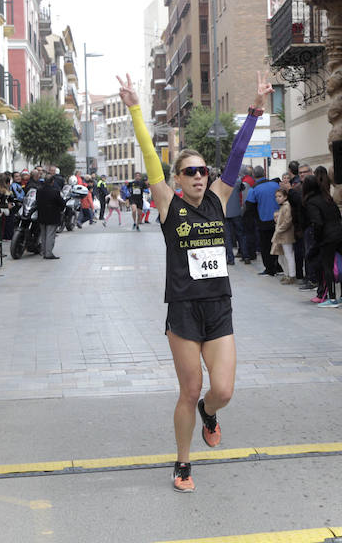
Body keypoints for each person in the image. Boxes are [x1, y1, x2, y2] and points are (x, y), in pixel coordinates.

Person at [118, 70, 271, 493]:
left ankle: (210, 412)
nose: (199, 177)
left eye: (203, 171)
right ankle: (183, 462)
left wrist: (256, 108)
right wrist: (134, 106)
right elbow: (150, 156)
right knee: (190, 388)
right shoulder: (168, 204)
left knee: (221, 390)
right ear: (178, 180)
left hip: (219, 306)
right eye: (190, 172)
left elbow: (238, 155)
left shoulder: (221, 199)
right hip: (183, 311)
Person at [302, 173, 342, 307]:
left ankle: (332, 298)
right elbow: (338, 215)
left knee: (327, 266)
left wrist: (317, 237)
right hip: (340, 233)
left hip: (328, 237)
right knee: (341, 265)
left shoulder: (311, 202)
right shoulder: (327, 197)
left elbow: (317, 222)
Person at [246, 167, 281, 276]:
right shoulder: (276, 185)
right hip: (279, 220)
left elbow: (249, 206)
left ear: (253, 175)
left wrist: (256, 218)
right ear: (264, 173)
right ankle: (279, 267)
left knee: (265, 246)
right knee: (278, 244)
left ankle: (269, 269)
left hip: (263, 221)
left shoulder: (254, 189)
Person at [36, 173, 64, 259]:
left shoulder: (39, 190)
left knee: (43, 235)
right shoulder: (55, 191)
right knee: (50, 235)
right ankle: (48, 253)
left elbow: (37, 201)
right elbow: (61, 203)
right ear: (52, 182)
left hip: (42, 215)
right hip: (52, 216)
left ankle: (44, 251)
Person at [271, 188, 296, 284]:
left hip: (286, 235)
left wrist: (279, 229)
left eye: (280, 196)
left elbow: (287, 221)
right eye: (276, 197)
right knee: (283, 256)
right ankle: (287, 274)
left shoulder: (286, 206)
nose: (277, 198)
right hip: (282, 234)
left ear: (285, 197)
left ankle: (291, 275)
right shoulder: (283, 206)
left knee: (288, 255)